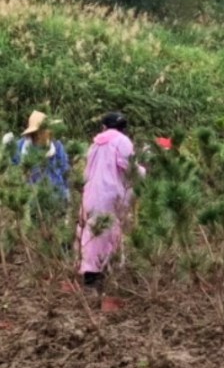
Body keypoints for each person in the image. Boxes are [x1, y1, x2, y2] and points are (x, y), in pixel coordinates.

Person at [77, 112, 144, 289]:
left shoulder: (95, 145)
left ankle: (90, 271)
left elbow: (86, 171)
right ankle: (102, 270)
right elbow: (130, 168)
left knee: (91, 230)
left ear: (104, 127)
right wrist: (143, 172)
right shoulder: (122, 141)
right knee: (108, 230)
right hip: (110, 193)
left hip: (91, 192)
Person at [11, 110, 70, 201]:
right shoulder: (20, 147)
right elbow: (13, 169)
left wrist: (66, 191)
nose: (50, 131)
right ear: (37, 132)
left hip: (57, 196)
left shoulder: (57, 146)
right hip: (32, 198)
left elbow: (64, 168)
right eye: (46, 129)